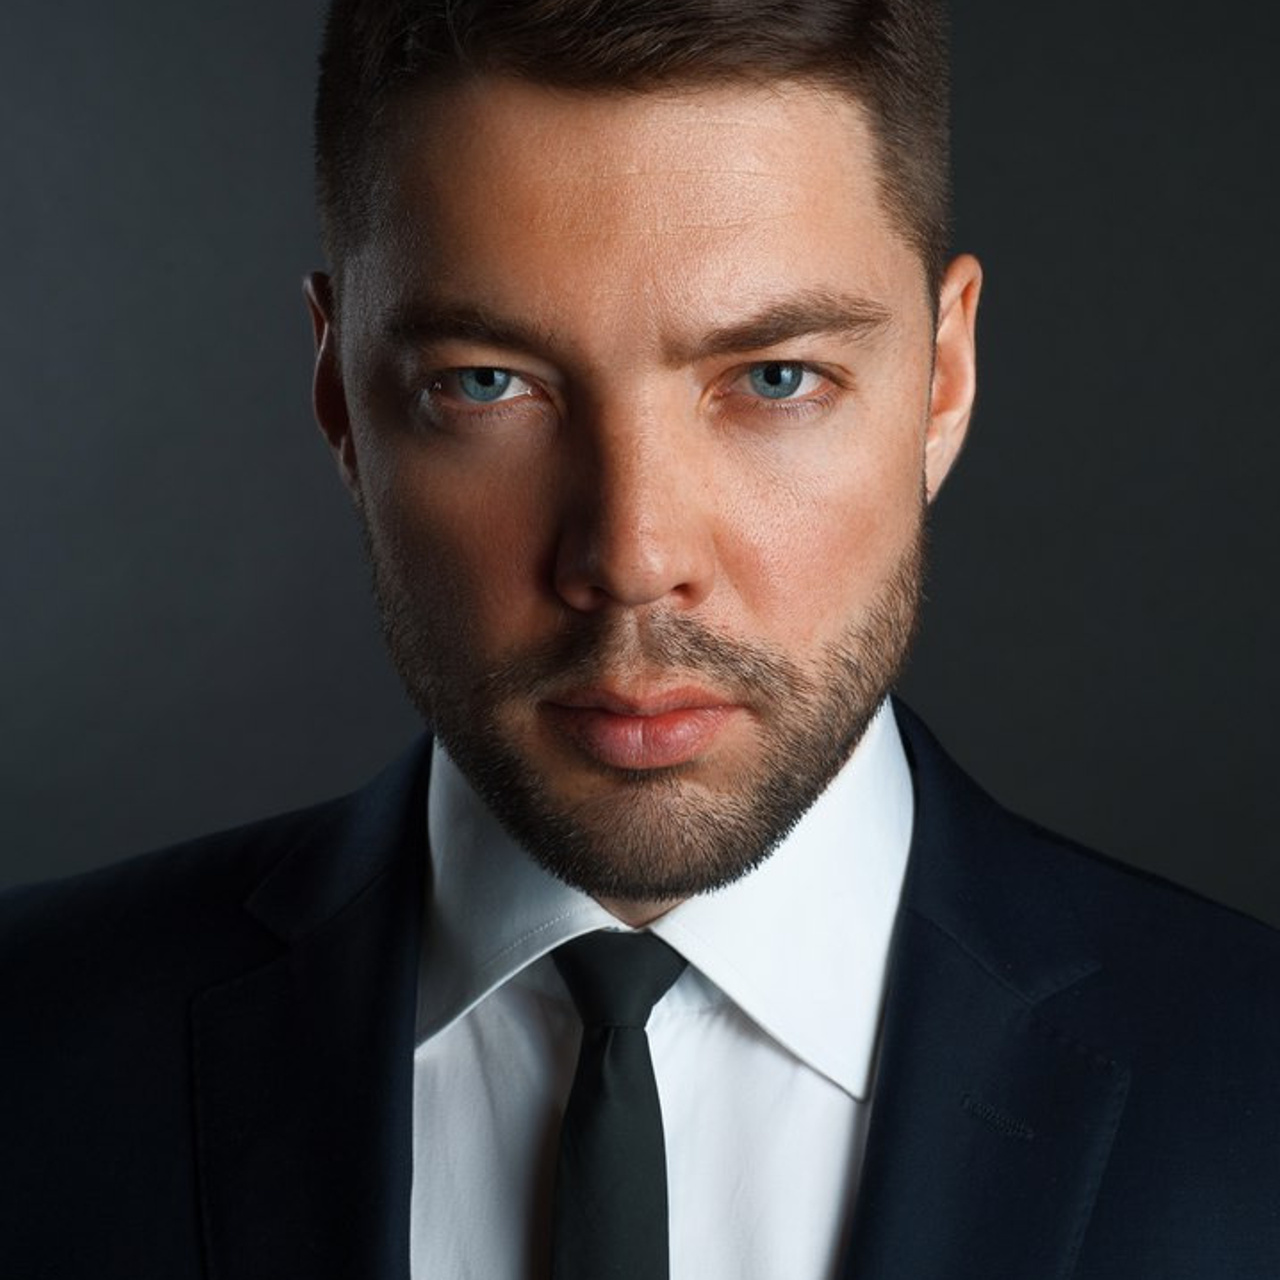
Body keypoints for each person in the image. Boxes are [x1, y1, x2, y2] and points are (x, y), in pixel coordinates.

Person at [2, 1, 1277, 1276]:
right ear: (341, 397)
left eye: (774, 376)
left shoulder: (1247, 1087)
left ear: (941, 381)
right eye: (486, 382)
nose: (630, 556)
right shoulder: (35, 1053)